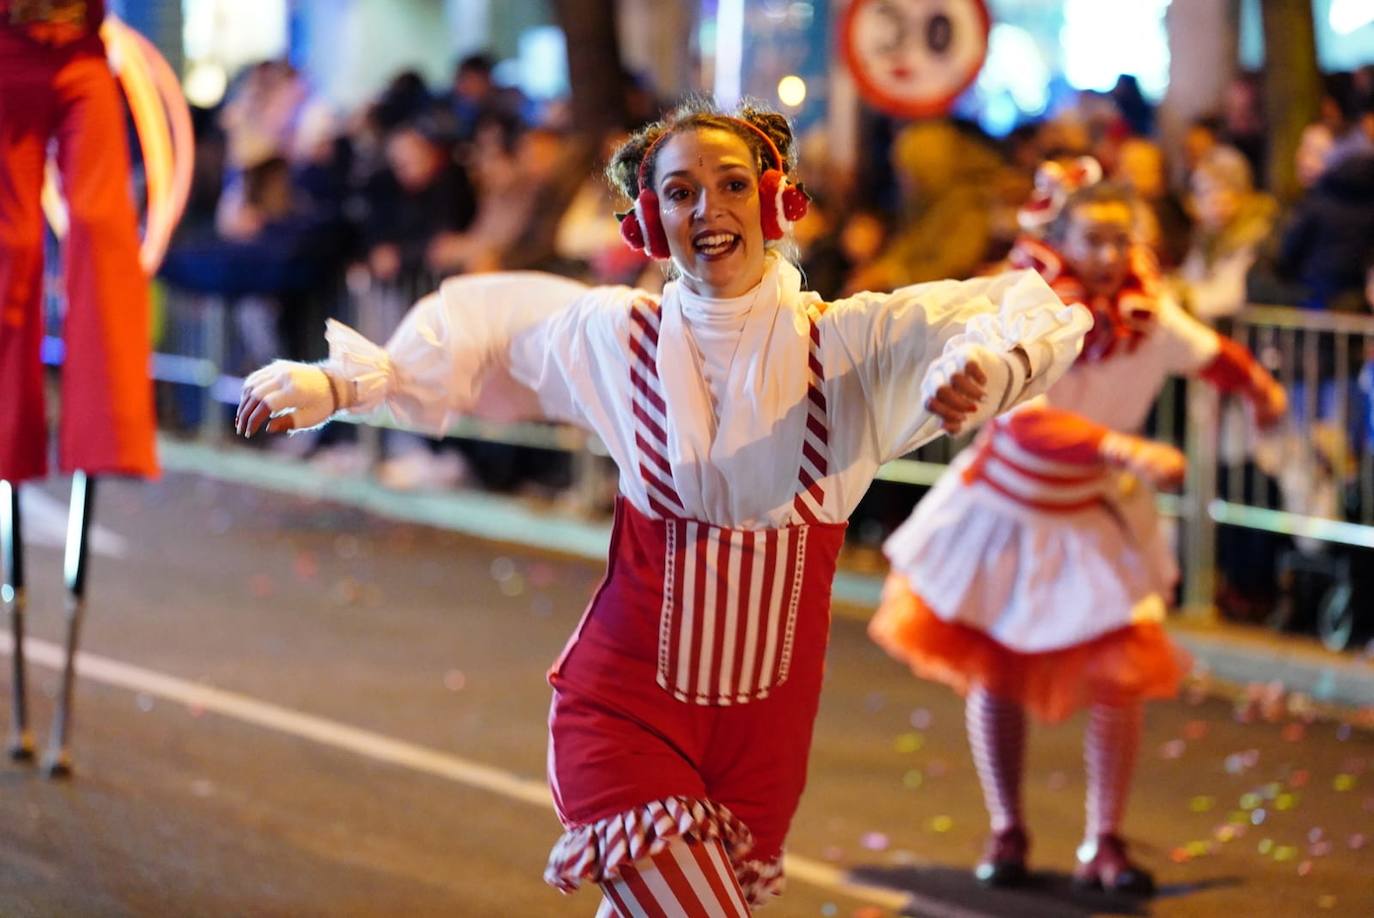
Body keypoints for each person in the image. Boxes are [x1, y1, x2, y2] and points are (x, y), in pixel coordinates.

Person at [236, 99, 1090, 914]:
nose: (708, 208)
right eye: (681, 191)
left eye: (729, 183)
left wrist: (989, 369)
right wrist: (344, 379)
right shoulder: (619, 334)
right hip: (626, 711)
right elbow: (490, 320)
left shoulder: (847, 342)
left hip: (765, 746)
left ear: (774, 198)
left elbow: (1012, 308)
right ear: (650, 219)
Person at [870, 164, 1287, 896]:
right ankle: (1008, 827)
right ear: (1058, 236)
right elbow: (1028, 419)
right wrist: (1124, 447)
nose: (1108, 254)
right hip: (1006, 511)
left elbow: (1211, 355)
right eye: (1093, 238)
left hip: (1093, 514)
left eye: (1120, 239)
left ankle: (1107, 839)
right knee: (995, 671)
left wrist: (1259, 389)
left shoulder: (1147, 313)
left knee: (1118, 677)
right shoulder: (1026, 309)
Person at [0, 0, 156, 484]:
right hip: (7, 51)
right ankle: (6, 441)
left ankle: (110, 434)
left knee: (103, 225)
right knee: (12, 246)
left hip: (81, 53)